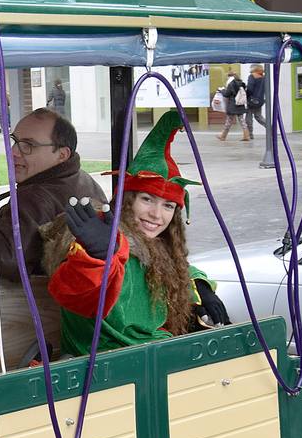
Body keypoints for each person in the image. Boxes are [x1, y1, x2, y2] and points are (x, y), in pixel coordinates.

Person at [44, 110, 229, 356]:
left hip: (155, 353)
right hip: (104, 365)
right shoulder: (100, 236)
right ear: (127, 198)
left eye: (168, 206)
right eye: (147, 199)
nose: (156, 214)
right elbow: (75, 293)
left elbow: (180, 268)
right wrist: (98, 259)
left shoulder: (157, 245)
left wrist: (200, 288)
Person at [0, 109, 106, 278]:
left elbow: (7, 260)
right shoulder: (84, 179)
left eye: (29, 145)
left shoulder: (33, 197)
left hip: (39, 302)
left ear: (62, 154)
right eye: (15, 141)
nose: (14, 152)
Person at [216, 73, 249, 142]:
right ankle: (246, 135)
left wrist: (221, 90)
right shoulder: (242, 83)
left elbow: (226, 94)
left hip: (233, 105)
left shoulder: (231, 84)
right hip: (240, 104)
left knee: (229, 121)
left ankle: (223, 136)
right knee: (242, 120)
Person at [244, 65, 268, 138]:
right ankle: (270, 128)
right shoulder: (264, 77)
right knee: (258, 116)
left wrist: (246, 95)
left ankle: (250, 134)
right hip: (260, 100)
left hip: (251, 100)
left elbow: (250, 89)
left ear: (254, 69)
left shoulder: (252, 76)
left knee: (248, 118)